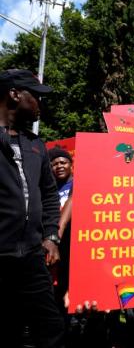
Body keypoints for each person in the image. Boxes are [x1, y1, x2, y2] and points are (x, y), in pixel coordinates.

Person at [0, 69, 64, 347]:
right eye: (35, 96)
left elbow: (49, 195)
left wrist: (50, 236)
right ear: (14, 95)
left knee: (51, 328)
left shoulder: (36, 145)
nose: (40, 103)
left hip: (32, 258)